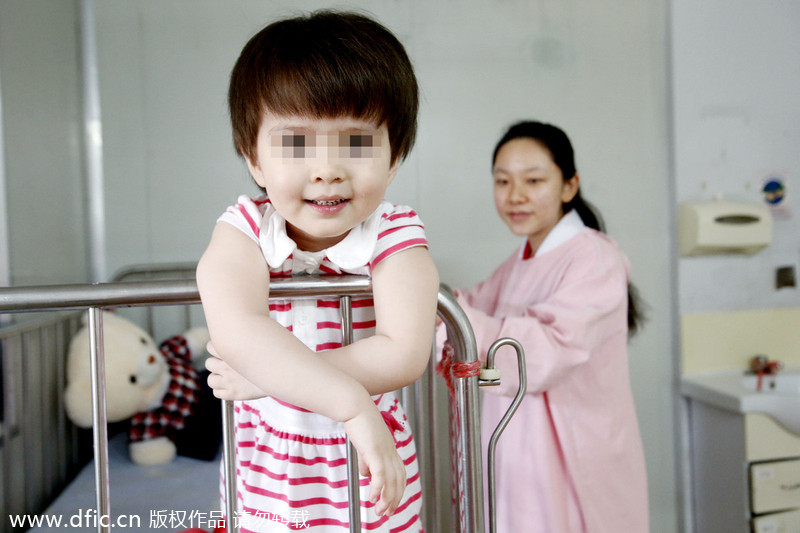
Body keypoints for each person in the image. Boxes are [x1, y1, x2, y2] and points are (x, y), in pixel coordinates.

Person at [196, 11, 438, 532]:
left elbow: (404, 350)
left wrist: (270, 377)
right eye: (295, 143)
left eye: (355, 142)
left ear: (394, 156)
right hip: (266, 477)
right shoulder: (244, 230)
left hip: (368, 471)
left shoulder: (395, 234)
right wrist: (350, 404)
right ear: (253, 158)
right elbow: (239, 332)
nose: (326, 168)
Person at [453, 121, 649, 532]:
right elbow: (467, 309)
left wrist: (439, 309)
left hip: (571, 457)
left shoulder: (594, 257)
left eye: (534, 180)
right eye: (502, 181)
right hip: (521, 454)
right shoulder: (520, 261)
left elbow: (541, 353)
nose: (515, 195)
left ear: (568, 186)